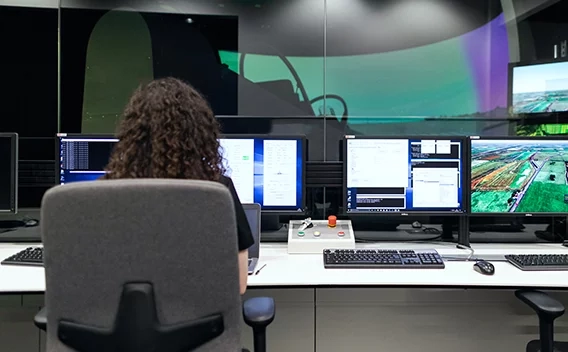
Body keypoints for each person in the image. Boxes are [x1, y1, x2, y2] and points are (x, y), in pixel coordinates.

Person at [103, 77, 253, 294]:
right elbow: (238, 285)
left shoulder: (103, 195)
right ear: (199, 134)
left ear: (132, 134)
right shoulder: (217, 192)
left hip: (122, 325)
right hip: (199, 325)